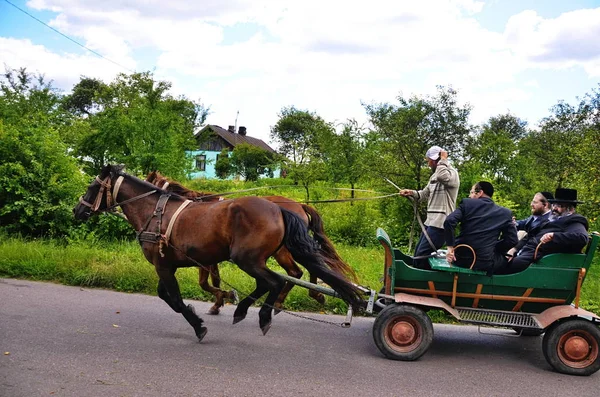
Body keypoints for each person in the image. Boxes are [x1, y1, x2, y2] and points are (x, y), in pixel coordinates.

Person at [399, 146, 460, 269]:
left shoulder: (452, 174)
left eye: (429, 161)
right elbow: (424, 194)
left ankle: (427, 285)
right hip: (430, 223)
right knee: (417, 254)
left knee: (421, 256)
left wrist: (443, 159)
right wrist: (410, 192)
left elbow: (442, 177)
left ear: (435, 160)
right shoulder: (434, 176)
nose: (428, 164)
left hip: (441, 225)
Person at [502, 188, 589, 274]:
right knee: (497, 255)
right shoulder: (554, 219)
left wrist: (553, 236)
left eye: (559, 205)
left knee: (501, 265)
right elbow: (531, 235)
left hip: (537, 259)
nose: (554, 208)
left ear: (570, 208)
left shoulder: (574, 221)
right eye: (554, 205)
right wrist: (514, 249)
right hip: (526, 252)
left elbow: (582, 238)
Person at [444, 181, 518, 273]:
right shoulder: (505, 213)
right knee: (509, 258)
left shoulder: (467, 204)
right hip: (485, 263)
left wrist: (450, 248)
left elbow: (449, 221)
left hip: (459, 259)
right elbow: (512, 240)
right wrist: (493, 247)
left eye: (471, 192)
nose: (469, 196)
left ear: (480, 193)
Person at [507, 191, 554, 257]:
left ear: (545, 205)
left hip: (533, 253)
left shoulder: (549, 221)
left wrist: (514, 249)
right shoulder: (536, 216)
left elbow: (530, 237)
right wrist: (513, 223)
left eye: (535, 202)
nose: (531, 204)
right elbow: (523, 223)